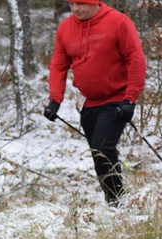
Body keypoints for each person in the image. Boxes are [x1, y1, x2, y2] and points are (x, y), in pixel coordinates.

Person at [44, 0, 146, 205]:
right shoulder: (66, 28)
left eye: (80, 4)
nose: (75, 9)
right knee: (98, 154)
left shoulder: (118, 22)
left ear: (95, 3)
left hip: (117, 97)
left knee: (103, 148)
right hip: (90, 102)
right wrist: (55, 100)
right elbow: (58, 65)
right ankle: (114, 200)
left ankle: (118, 203)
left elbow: (136, 59)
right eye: (72, 4)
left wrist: (130, 98)